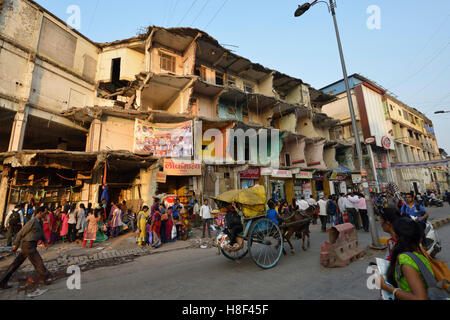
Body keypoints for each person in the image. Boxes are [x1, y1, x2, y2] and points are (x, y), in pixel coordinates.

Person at [379, 217, 434, 300]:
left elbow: (420, 298)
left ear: (396, 236)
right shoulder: (419, 254)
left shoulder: (405, 260)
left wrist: (387, 288)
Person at [0, 207, 55, 289]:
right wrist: (16, 245)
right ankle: (46, 278)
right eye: (45, 213)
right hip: (28, 245)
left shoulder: (40, 222)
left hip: (30, 246)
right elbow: (21, 233)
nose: (46, 215)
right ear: (40, 212)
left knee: (15, 264)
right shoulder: (32, 221)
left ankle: (2, 282)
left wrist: (45, 241)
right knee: (38, 262)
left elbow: (41, 233)